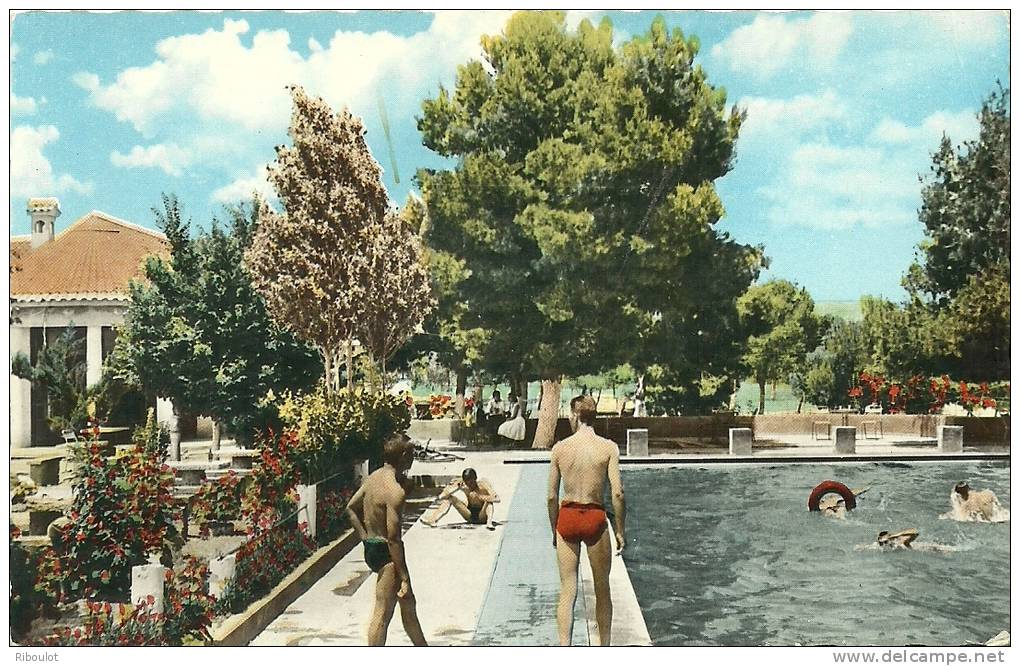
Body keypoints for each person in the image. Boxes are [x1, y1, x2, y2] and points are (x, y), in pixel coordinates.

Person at [547, 395, 625, 646]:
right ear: (594, 417)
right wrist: (620, 530)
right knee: (602, 588)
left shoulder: (560, 449)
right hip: (595, 516)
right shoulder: (609, 448)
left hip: (568, 517)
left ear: (574, 416)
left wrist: (554, 528)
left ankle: (564, 648)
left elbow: (551, 496)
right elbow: (617, 493)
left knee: (567, 589)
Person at [345, 435, 428, 646]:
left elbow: (350, 508)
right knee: (382, 613)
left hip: (373, 547)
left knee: (408, 603)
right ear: (403, 455)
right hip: (387, 554)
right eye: (411, 453)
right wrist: (404, 576)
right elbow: (393, 539)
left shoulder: (372, 478)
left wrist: (365, 538)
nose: (413, 458)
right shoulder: (394, 491)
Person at [421, 468, 500, 529]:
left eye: (471, 483)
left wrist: (482, 497)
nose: (470, 486)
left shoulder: (483, 484)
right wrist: (456, 488)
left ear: (475, 478)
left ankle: (489, 523)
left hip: (482, 515)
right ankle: (433, 520)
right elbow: (443, 496)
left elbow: (497, 498)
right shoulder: (463, 484)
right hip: (469, 514)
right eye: (467, 484)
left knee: (489, 502)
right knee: (451, 498)